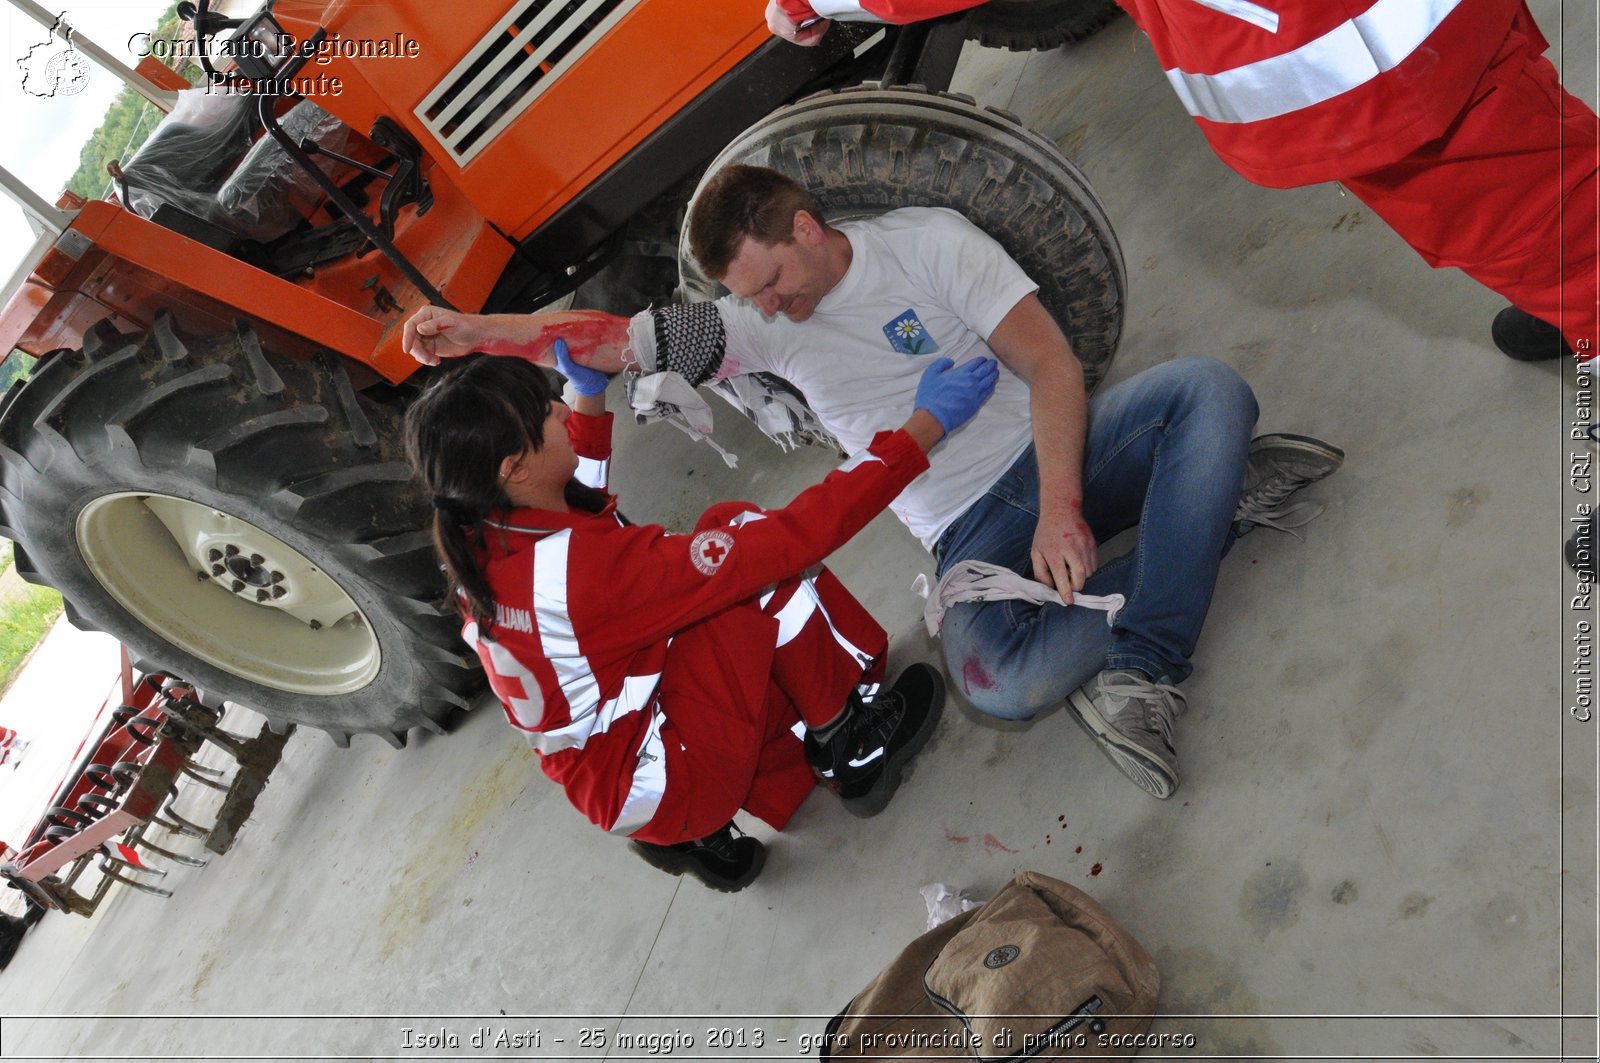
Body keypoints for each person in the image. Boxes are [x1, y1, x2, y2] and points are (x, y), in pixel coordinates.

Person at [403, 165, 1343, 802]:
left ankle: (1143, 666)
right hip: (965, 530)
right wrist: (481, 333)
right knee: (993, 680)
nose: (767, 308)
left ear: (808, 229)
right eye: (750, 296)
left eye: (772, 281)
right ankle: (1202, 521)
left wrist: (1061, 505)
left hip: (1066, 452)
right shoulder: (756, 324)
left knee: (1210, 390)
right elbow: (606, 342)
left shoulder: (928, 245)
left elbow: (1054, 364)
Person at [402, 340, 999, 891]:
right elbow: (790, 540)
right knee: (743, 545)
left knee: (712, 584)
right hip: (665, 776)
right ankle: (852, 746)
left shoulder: (482, 541)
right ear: (512, 468)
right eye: (546, 410)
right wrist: (919, 433)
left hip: (609, 771)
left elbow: (571, 504)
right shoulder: (584, 576)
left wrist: (588, 398)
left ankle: (699, 835)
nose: (560, 409)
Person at [763, 0, 1598, 363]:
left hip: (1370, 52)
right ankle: (1573, 299)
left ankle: (1582, 297)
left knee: (1532, 212)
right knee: (1532, 157)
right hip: (1380, 39)